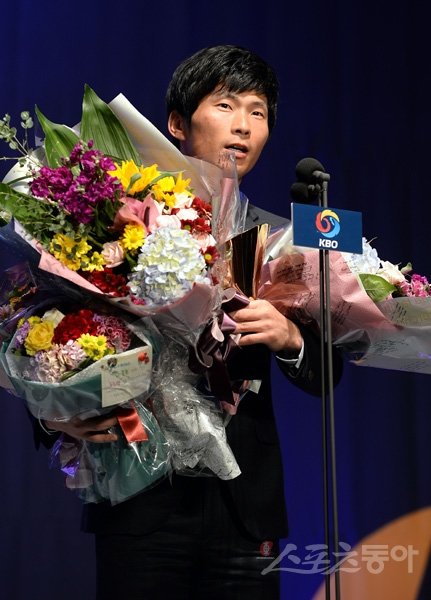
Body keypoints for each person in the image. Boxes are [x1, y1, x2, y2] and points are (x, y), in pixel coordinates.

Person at [41, 45, 343, 599]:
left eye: (258, 111)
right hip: (140, 498)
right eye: (226, 105)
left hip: (245, 509)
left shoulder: (281, 241)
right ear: (178, 123)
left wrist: (292, 339)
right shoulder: (119, 222)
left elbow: (328, 373)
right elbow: (50, 333)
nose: (243, 125)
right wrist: (57, 414)